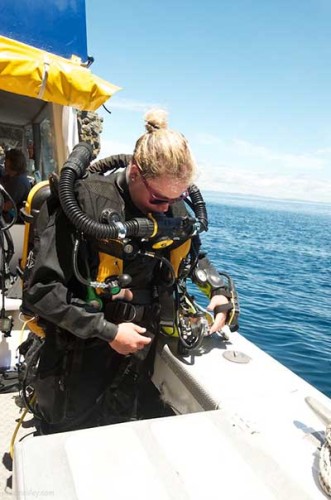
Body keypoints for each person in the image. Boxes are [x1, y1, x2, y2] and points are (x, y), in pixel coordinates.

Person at [22, 109, 238, 434]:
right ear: (135, 172)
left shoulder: (170, 205)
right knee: (68, 436)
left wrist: (218, 290)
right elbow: (41, 290)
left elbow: (192, 254)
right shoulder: (84, 204)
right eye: (158, 199)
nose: (166, 208)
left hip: (140, 351)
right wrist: (108, 332)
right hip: (81, 354)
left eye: (176, 199)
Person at [0, 148, 31, 222]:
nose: (4, 162)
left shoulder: (19, 182)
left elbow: (7, 206)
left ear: (14, 163)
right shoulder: (11, 177)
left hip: (13, 221)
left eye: (7, 160)